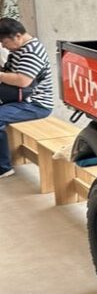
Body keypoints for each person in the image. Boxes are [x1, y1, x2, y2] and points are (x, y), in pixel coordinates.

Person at [0, 17, 54, 178]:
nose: (3, 46)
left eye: (4, 42)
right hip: (19, 100)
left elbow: (23, 81)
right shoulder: (19, 49)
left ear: (17, 36)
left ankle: (3, 168)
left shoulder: (32, 51)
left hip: (35, 104)